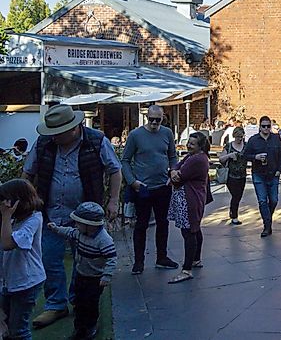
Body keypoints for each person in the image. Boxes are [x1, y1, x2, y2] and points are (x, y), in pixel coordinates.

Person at [22, 104, 121, 329]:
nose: (54, 136)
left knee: (84, 260)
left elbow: (114, 170)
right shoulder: (45, 143)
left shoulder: (96, 141)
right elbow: (28, 173)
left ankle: (78, 300)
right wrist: (26, 201)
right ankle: (56, 304)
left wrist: (113, 200)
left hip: (84, 217)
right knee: (49, 258)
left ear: (74, 129)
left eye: (58, 132)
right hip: (50, 212)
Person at [121, 105, 179, 275]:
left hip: (163, 186)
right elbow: (125, 160)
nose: (154, 122)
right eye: (151, 119)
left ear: (163, 118)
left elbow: (172, 155)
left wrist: (173, 170)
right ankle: (139, 262)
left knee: (163, 223)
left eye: (157, 119)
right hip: (143, 188)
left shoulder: (167, 133)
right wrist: (132, 182)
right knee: (141, 225)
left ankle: (162, 257)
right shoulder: (135, 135)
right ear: (147, 117)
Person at [47, 202, 116, 340]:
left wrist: (106, 275)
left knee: (90, 303)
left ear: (89, 225)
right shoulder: (79, 232)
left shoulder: (103, 240)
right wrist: (56, 229)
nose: (75, 225)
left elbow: (111, 259)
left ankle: (90, 326)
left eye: (78, 222)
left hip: (95, 278)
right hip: (81, 273)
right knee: (80, 301)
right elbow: (68, 232)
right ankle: (79, 327)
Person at [0, 179, 46, 340]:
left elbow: (7, 244)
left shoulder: (34, 220)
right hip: (9, 281)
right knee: (5, 325)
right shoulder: (13, 219)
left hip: (27, 281)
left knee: (18, 330)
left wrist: (6, 216)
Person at [167, 132, 209, 284]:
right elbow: (177, 166)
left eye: (192, 144)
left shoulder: (197, 159)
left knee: (189, 232)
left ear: (200, 146)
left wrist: (172, 173)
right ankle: (196, 259)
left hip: (190, 200)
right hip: (189, 198)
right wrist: (173, 170)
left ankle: (187, 269)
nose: (188, 145)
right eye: (189, 142)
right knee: (195, 229)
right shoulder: (192, 156)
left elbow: (180, 176)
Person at [243, 116, 281, 238]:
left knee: (274, 200)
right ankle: (267, 225)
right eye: (264, 126)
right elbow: (245, 155)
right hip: (258, 173)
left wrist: (279, 170)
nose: (266, 128)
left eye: (268, 126)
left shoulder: (276, 139)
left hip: (273, 173)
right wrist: (255, 157)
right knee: (262, 201)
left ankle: (268, 218)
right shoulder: (253, 140)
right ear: (260, 127)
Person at [218, 127, 247, 225]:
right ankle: (234, 216)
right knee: (236, 195)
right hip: (231, 175)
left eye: (241, 137)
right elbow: (221, 159)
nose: (240, 139)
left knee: (238, 196)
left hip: (242, 175)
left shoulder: (246, 146)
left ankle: (232, 213)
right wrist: (229, 155)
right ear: (234, 136)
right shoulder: (229, 146)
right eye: (238, 137)